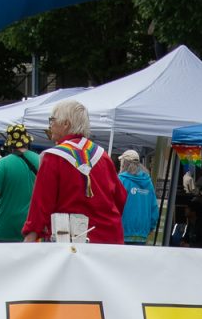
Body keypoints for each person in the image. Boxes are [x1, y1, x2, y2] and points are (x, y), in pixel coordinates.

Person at [23, 98, 126, 243]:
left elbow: (41, 204)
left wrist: (30, 236)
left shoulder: (53, 157)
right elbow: (120, 197)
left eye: (52, 120)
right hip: (109, 239)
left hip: (72, 241)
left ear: (66, 124)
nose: (50, 124)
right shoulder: (102, 156)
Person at [0, 122, 42, 242]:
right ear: (27, 141)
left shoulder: (3, 164)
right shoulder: (40, 160)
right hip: (32, 227)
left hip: (5, 227)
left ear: (10, 144)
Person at [117, 148, 158, 244]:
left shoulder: (120, 180)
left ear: (124, 163)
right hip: (142, 233)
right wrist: (151, 226)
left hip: (122, 231)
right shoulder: (148, 182)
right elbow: (154, 208)